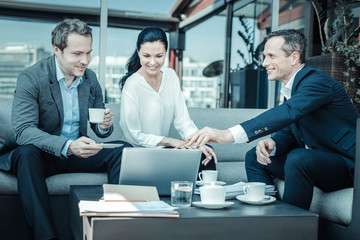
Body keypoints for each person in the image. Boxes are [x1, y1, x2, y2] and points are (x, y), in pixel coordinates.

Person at [187, 29, 358, 210]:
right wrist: (272, 143)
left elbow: (288, 112)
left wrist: (228, 134)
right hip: (317, 164)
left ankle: (288, 227)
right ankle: (265, 213)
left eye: (271, 56)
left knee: (298, 158)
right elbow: (290, 128)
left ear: (293, 57)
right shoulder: (293, 89)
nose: (264, 63)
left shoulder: (317, 82)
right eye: (264, 56)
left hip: (347, 166)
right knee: (255, 156)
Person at [0, 19, 131, 240]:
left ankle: (116, 228)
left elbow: (97, 124)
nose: (85, 61)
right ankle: (46, 236)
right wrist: (68, 146)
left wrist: (103, 126)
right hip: (42, 154)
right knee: (26, 152)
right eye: (77, 53)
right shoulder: (32, 78)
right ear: (57, 50)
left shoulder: (90, 78)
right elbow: (24, 130)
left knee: (124, 150)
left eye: (89, 53)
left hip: (77, 150)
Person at [119, 26, 217, 170]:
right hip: (138, 151)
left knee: (205, 152)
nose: (152, 62)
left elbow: (183, 121)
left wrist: (198, 142)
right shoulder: (132, 84)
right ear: (138, 52)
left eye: (159, 56)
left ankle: (202, 192)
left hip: (163, 151)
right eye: (146, 56)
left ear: (166, 53)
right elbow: (132, 135)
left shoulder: (170, 76)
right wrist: (170, 141)